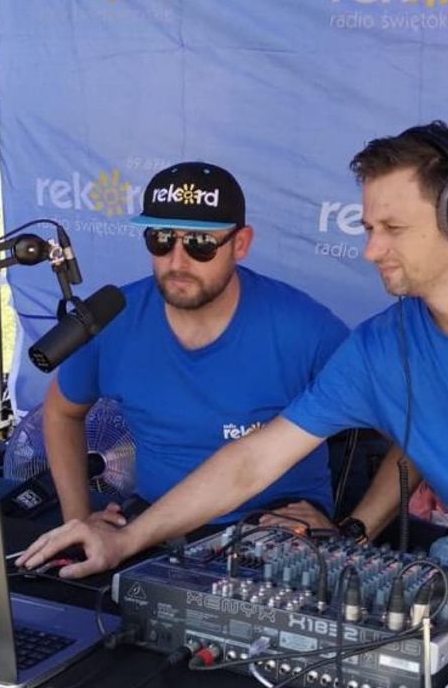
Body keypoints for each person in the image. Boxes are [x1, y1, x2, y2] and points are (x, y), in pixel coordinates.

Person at [20, 124, 448, 642]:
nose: (369, 250)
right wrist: (128, 540)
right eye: (366, 226)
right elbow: (253, 461)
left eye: (391, 228)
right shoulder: (378, 350)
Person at [40, 160, 360, 532]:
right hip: (152, 528)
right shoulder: (112, 319)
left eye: (200, 244)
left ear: (241, 244)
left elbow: (403, 428)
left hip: (274, 530)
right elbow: (61, 412)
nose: (177, 262)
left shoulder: (307, 329)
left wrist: (354, 528)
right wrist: (78, 521)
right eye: (161, 240)